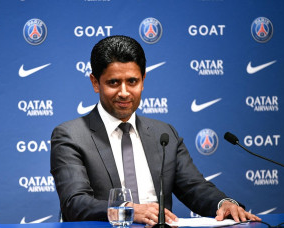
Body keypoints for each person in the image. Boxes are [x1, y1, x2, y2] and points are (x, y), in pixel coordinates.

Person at [50, 35, 261, 226]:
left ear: (143, 80)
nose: (124, 92)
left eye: (132, 81)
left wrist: (223, 203)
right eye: (113, 82)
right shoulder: (71, 135)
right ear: (95, 83)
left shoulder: (164, 133)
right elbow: (75, 203)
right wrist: (129, 210)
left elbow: (193, 187)